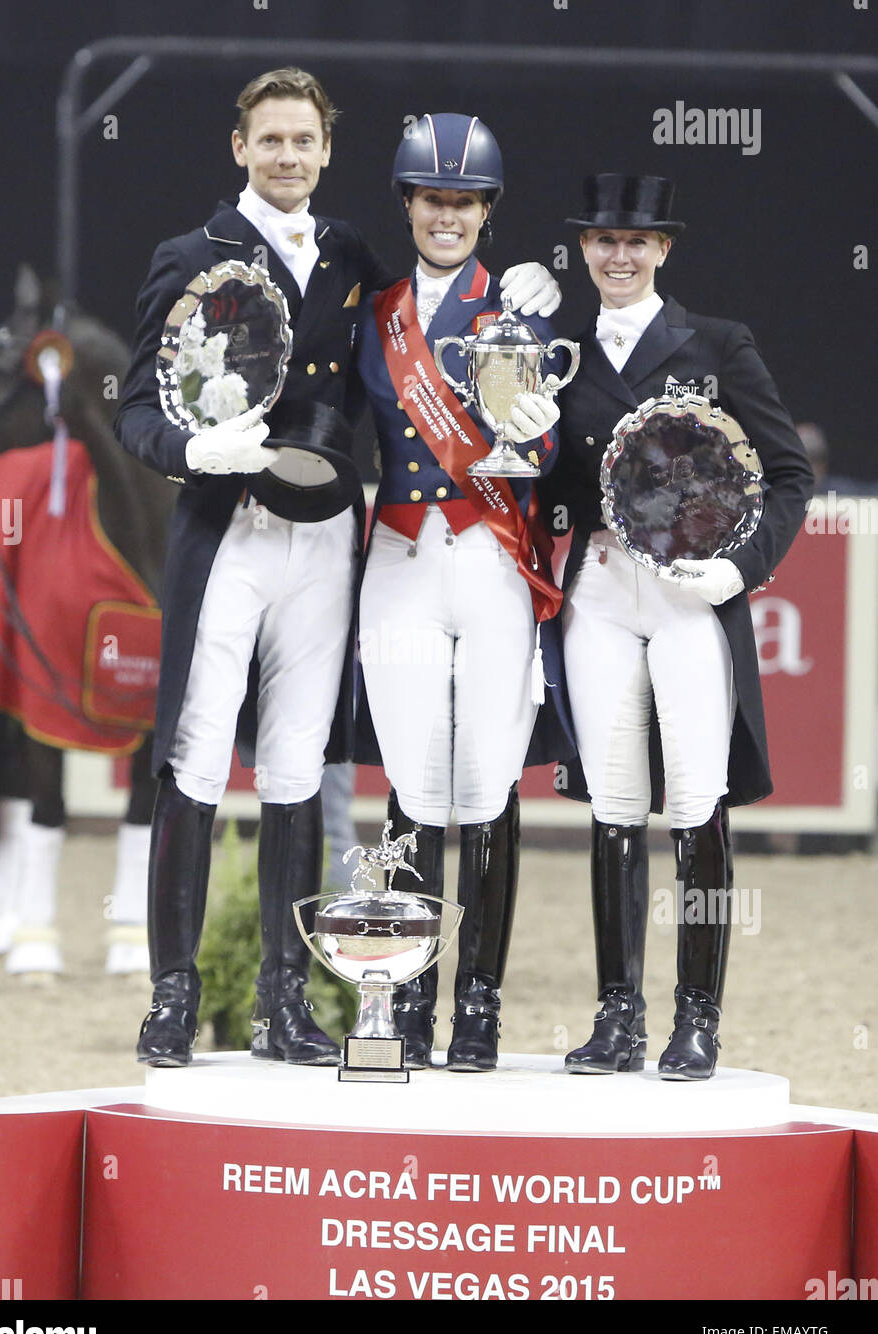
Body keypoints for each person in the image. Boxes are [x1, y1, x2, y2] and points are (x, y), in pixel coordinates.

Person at [115, 71, 560, 1068]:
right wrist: (193, 455)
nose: (286, 155)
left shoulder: (352, 257)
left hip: (322, 536)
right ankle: (173, 997)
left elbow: (453, 334)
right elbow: (136, 409)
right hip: (227, 521)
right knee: (191, 761)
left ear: (325, 151)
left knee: (293, 767)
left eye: (303, 141)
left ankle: (286, 1003)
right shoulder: (190, 257)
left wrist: (530, 296)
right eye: (268, 138)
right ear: (241, 147)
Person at [541, 174, 813, 1081]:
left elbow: (786, 474)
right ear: (583, 250)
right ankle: (617, 1013)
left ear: (662, 249)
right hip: (603, 590)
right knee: (615, 806)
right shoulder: (560, 351)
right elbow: (542, 480)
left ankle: (696, 1019)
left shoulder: (717, 346)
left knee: (695, 801)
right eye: (603, 242)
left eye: (636, 241)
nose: (619, 256)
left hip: (690, 594)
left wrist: (738, 568)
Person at [353, 114, 574, 1072]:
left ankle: (476, 1007)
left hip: (487, 553)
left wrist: (545, 429)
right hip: (401, 553)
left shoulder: (521, 310)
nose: (447, 215)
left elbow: (547, 448)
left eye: (464, 201)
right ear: (407, 203)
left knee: (486, 781)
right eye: (432, 198)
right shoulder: (376, 312)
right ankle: (403, 1001)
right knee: (411, 781)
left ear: (486, 212)